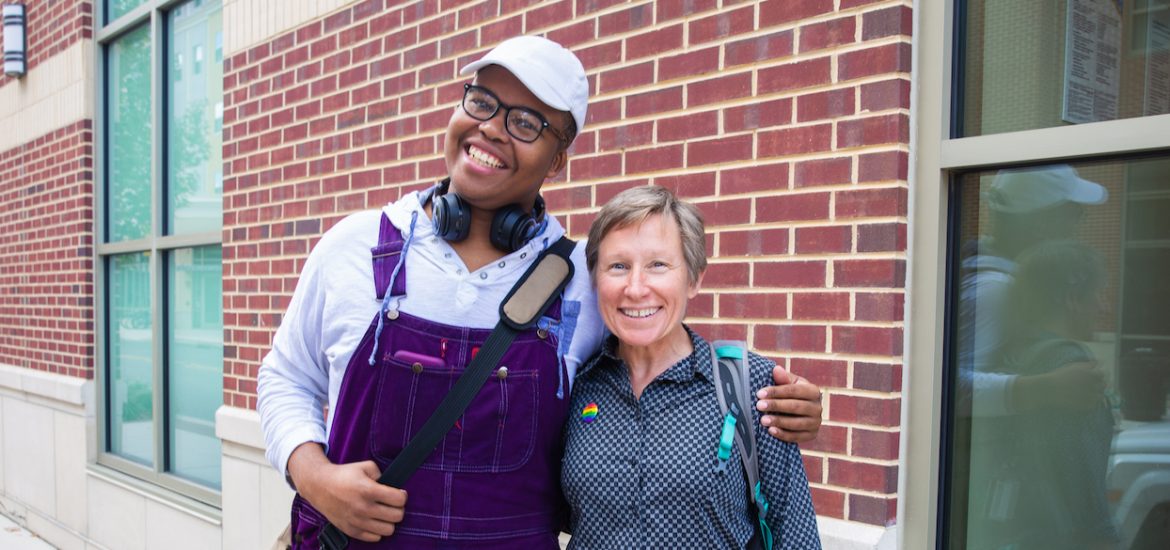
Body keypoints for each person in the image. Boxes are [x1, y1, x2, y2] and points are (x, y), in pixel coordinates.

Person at [257, 35, 824, 549]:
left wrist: (777, 408)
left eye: (526, 122)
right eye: (481, 102)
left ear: (558, 158)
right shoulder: (352, 247)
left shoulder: (582, 278)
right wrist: (313, 476)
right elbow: (286, 377)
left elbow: (660, 364)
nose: (492, 129)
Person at [561, 185, 821, 548]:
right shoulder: (572, 385)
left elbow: (795, 534)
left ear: (694, 278)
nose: (636, 288)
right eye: (618, 266)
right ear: (595, 279)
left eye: (658, 265)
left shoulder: (750, 387)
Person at [967, 241, 1119, 549]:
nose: (1104, 307)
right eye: (1097, 294)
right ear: (1071, 299)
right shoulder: (1069, 366)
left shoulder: (1015, 352)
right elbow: (1083, 488)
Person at [956, 164, 1109, 417]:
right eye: (1074, 212)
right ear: (1042, 224)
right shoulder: (994, 290)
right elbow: (945, 390)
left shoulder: (986, 270)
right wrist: (1044, 388)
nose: (1079, 223)